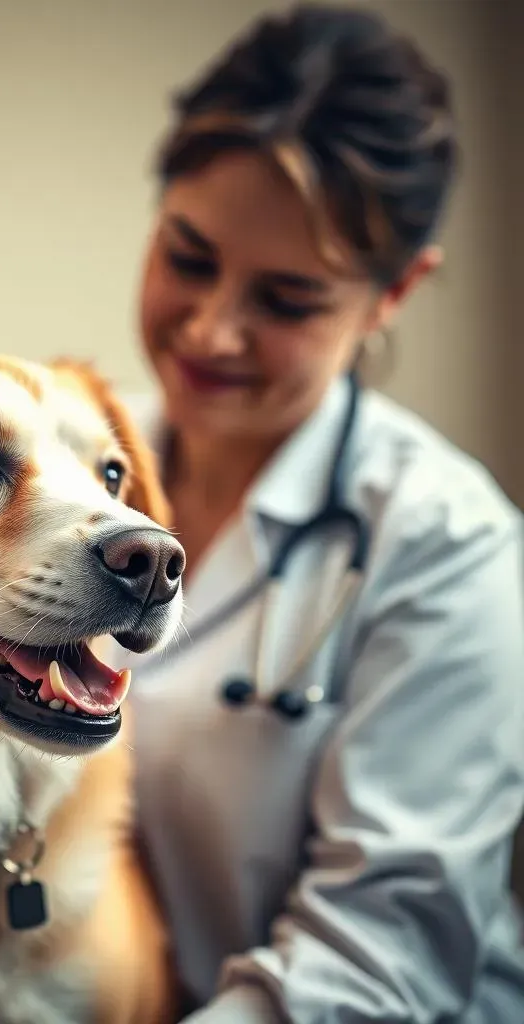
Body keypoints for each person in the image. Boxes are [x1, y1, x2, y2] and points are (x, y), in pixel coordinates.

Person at [115, 4, 524, 1022]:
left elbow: (383, 951)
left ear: (393, 294)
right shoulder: (82, 463)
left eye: (288, 299)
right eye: (189, 257)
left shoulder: (441, 543)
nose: (211, 331)